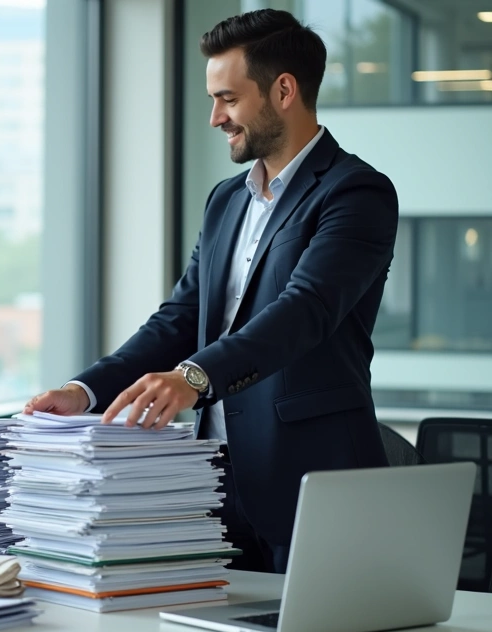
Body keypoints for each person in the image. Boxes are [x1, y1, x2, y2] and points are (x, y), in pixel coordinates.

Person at [25, 9, 398, 573]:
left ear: (284, 90)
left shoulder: (357, 192)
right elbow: (178, 319)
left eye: (227, 98)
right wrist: (85, 390)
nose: (214, 117)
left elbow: (305, 311)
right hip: (212, 483)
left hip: (314, 481)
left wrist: (193, 377)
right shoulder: (225, 200)